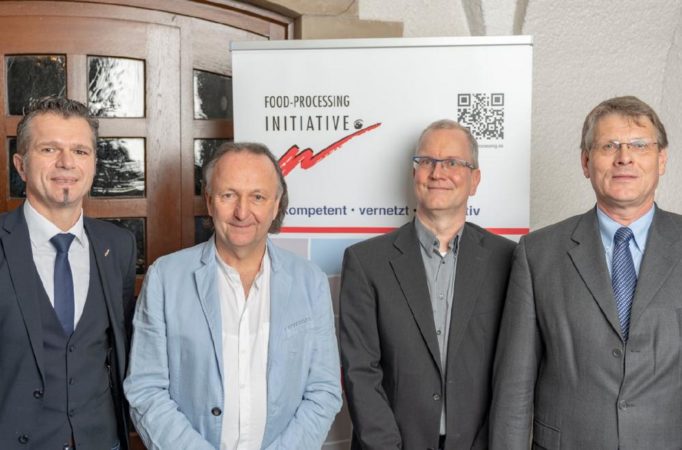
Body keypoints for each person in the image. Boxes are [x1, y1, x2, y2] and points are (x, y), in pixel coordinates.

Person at [490, 96, 681, 449]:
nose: (624, 157)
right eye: (609, 145)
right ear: (585, 161)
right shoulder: (538, 253)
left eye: (639, 145)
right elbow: (514, 387)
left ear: (662, 159)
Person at [124, 142, 342, 449]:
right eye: (228, 195)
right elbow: (146, 390)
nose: (242, 212)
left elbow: (323, 390)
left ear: (276, 205)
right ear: (210, 202)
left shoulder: (310, 282)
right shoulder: (165, 278)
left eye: (257, 197)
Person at [339, 119, 515, 450]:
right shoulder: (366, 262)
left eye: (453, 163)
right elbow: (360, 372)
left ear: (474, 180)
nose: (437, 173)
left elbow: (513, 372)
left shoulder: (509, 260)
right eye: (426, 162)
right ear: (414, 173)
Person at [0, 96, 137, 450]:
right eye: (49, 149)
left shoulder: (118, 246)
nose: (66, 162)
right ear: (21, 165)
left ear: (93, 164)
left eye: (80, 151)